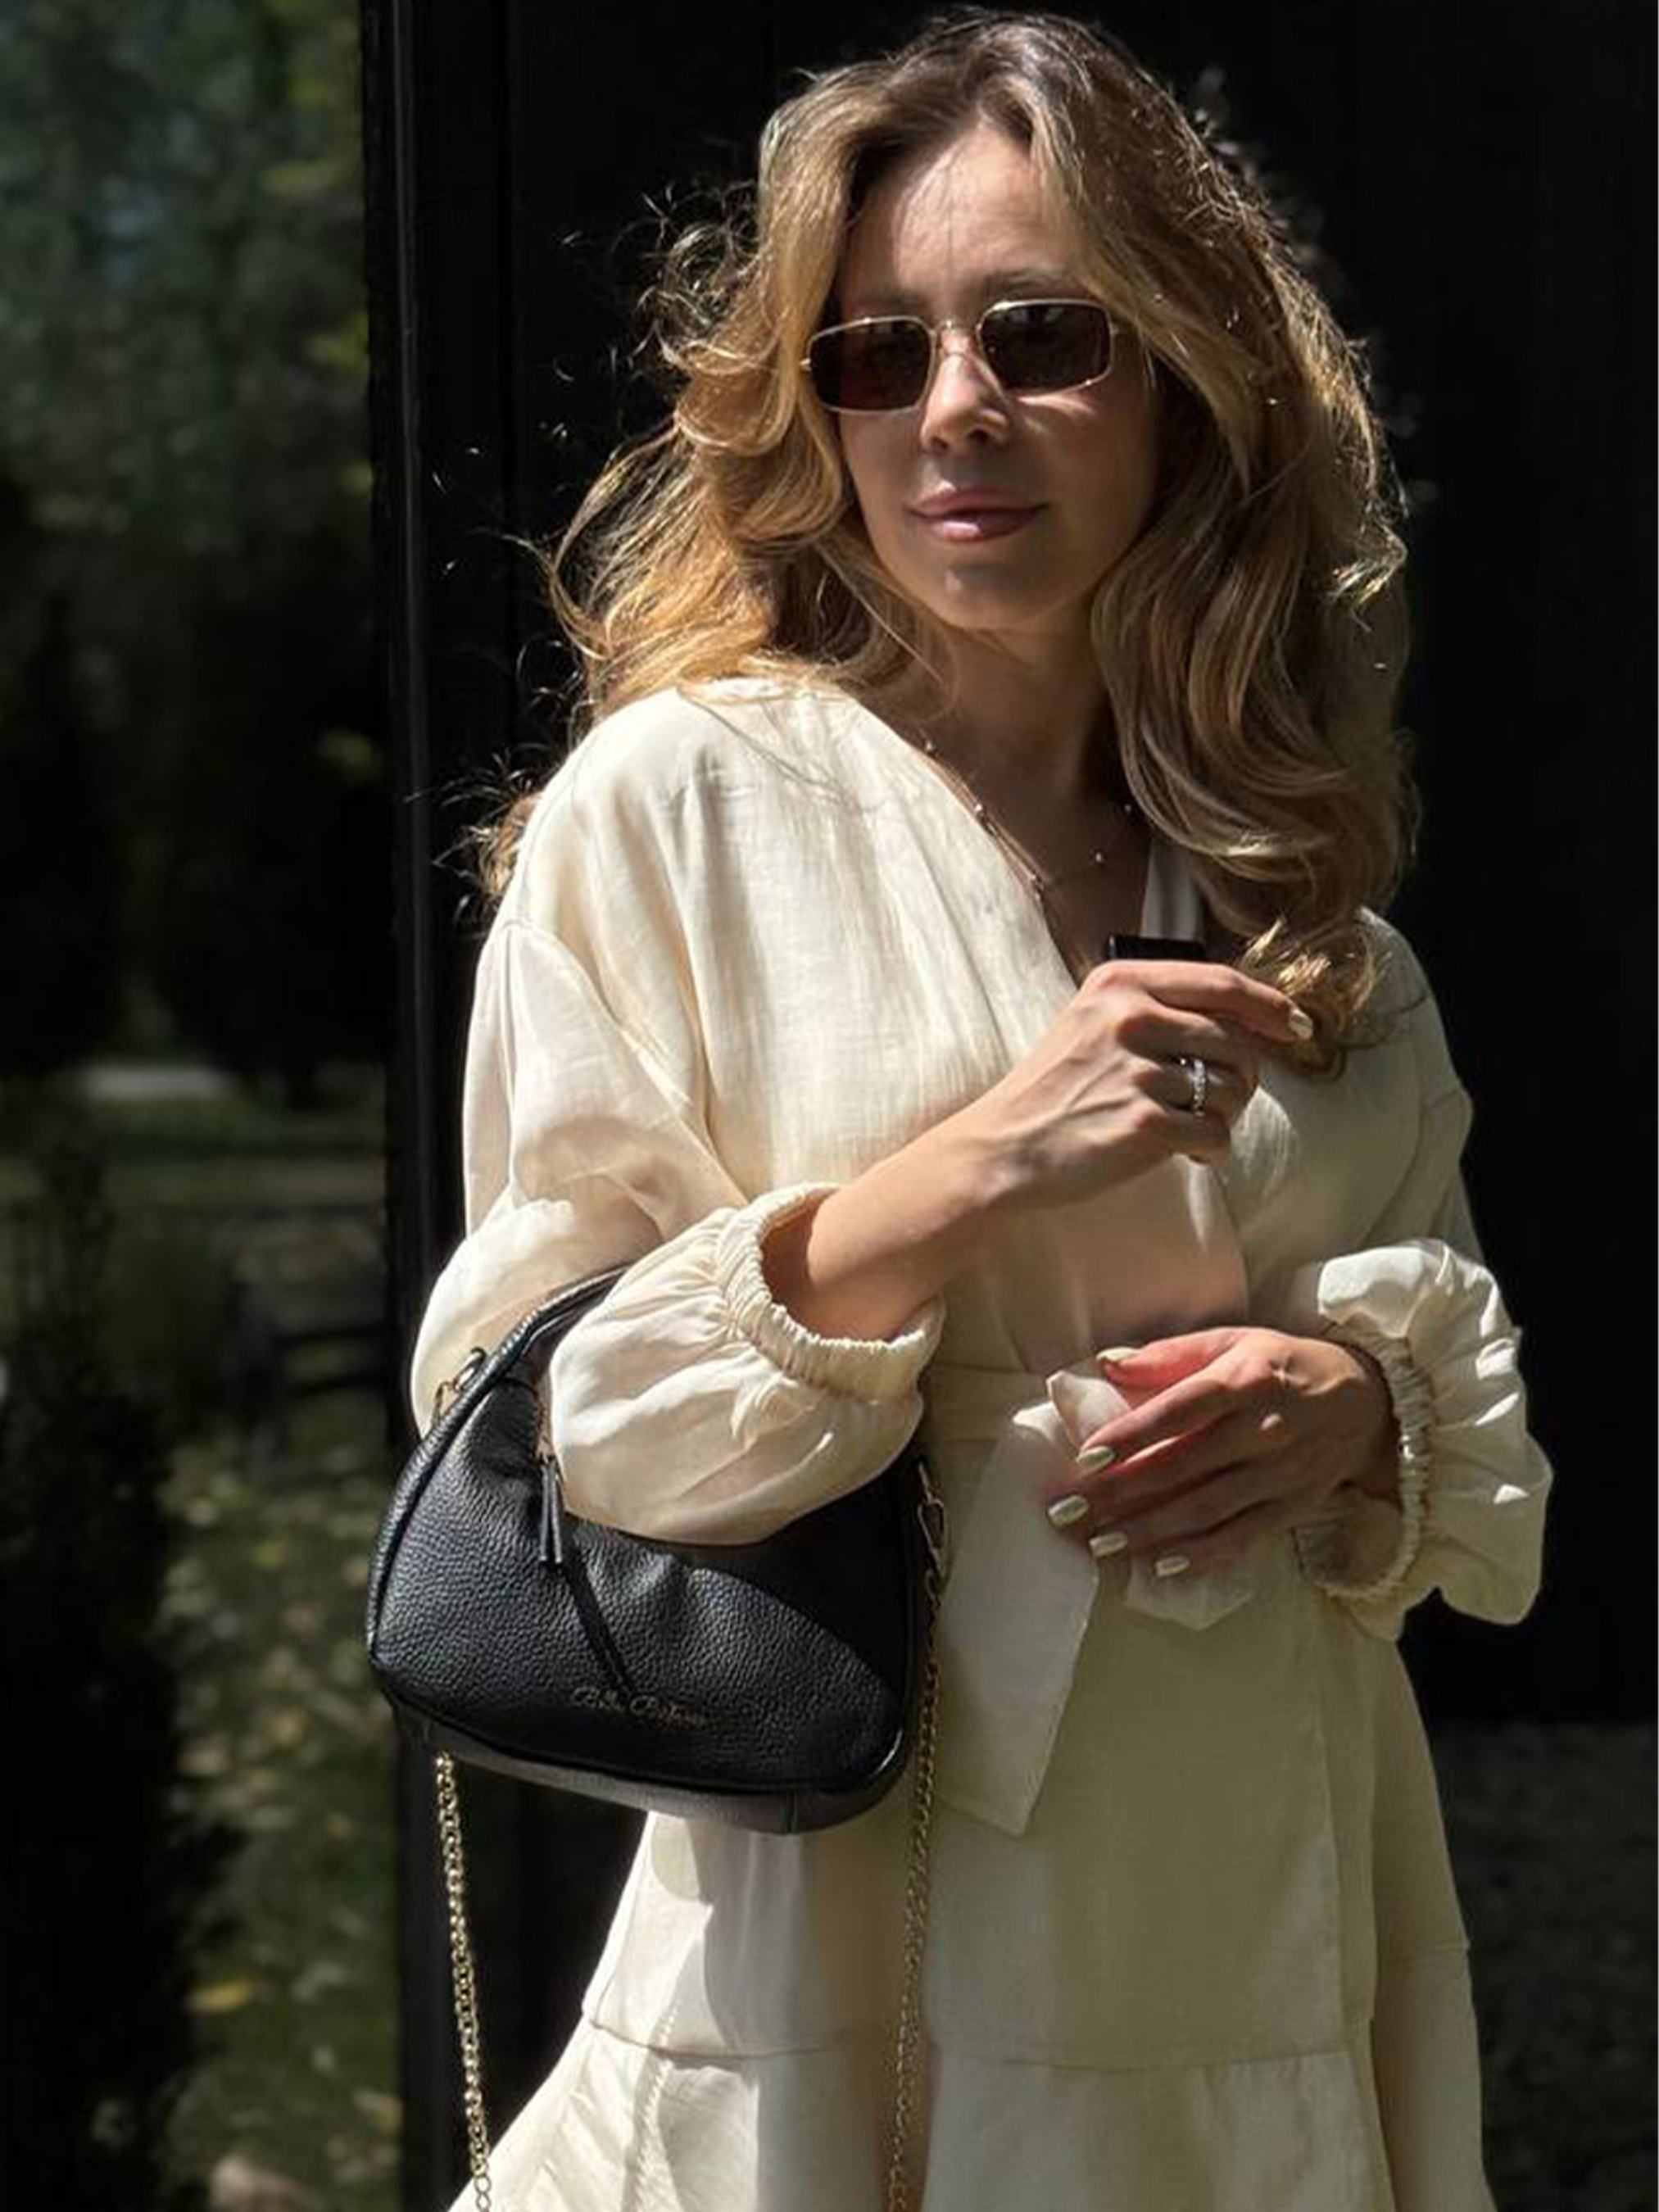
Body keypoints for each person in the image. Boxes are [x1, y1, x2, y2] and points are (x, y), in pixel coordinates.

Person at [409, 11, 1552, 2208]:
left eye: (1043, 337)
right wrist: (966, 1174)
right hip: (860, 1908)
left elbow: (1453, 1398)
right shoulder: (681, 810)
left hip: (1261, 1898)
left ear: (1188, 382)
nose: (952, 409)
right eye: (873, 353)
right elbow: (545, 1426)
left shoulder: (1302, 906)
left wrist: (1350, 1409)